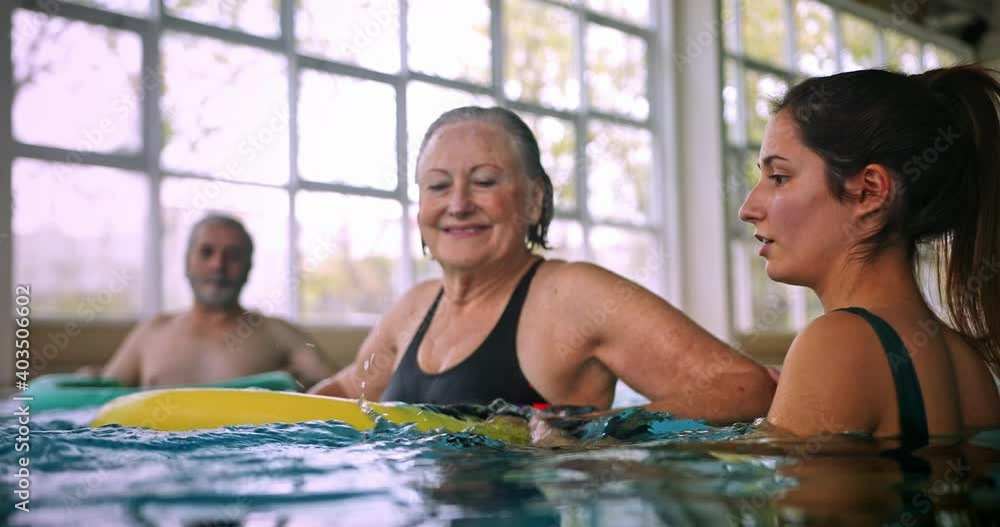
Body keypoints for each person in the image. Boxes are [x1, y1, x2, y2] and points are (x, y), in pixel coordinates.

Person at [310, 106, 776, 423]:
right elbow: (348, 390)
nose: (457, 203)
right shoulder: (413, 308)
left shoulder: (570, 295)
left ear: (534, 200)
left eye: (484, 181)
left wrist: (596, 432)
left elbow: (743, 387)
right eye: (436, 186)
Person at [738, 64, 1000, 446]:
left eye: (779, 178)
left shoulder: (835, 344)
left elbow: (810, 506)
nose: (748, 208)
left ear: (869, 192)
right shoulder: (968, 363)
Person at [89, 214, 332, 388]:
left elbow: (347, 391)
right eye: (207, 252)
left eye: (233, 256)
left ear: (248, 267)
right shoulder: (152, 332)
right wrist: (90, 378)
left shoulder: (279, 335)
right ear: (187, 262)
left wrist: (304, 387)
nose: (218, 265)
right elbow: (102, 399)